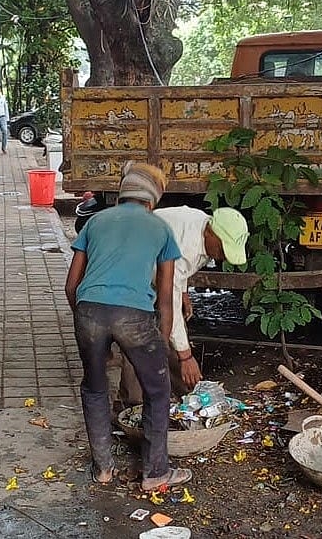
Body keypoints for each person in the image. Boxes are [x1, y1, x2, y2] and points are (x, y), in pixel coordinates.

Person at [64, 161, 192, 492]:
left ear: (123, 193)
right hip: (134, 316)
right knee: (158, 391)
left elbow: (71, 286)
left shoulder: (94, 221)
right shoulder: (160, 228)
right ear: (153, 199)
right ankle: (155, 473)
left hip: (89, 311)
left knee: (94, 387)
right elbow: (165, 298)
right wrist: (160, 346)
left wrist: (89, 325)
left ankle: (104, 469)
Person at [118, 206, 249, 405]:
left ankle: (184, 395)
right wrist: (186, 356)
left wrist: (184, 291)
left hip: (154, 275)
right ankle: (130, 404)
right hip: (128, 278)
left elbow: (177, 276)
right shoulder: (186, 246)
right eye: (222, 248)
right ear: (210, 233)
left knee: (171, 334)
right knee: (137, 337)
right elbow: (167, 299)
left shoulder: (203, 227)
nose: (222, 256)